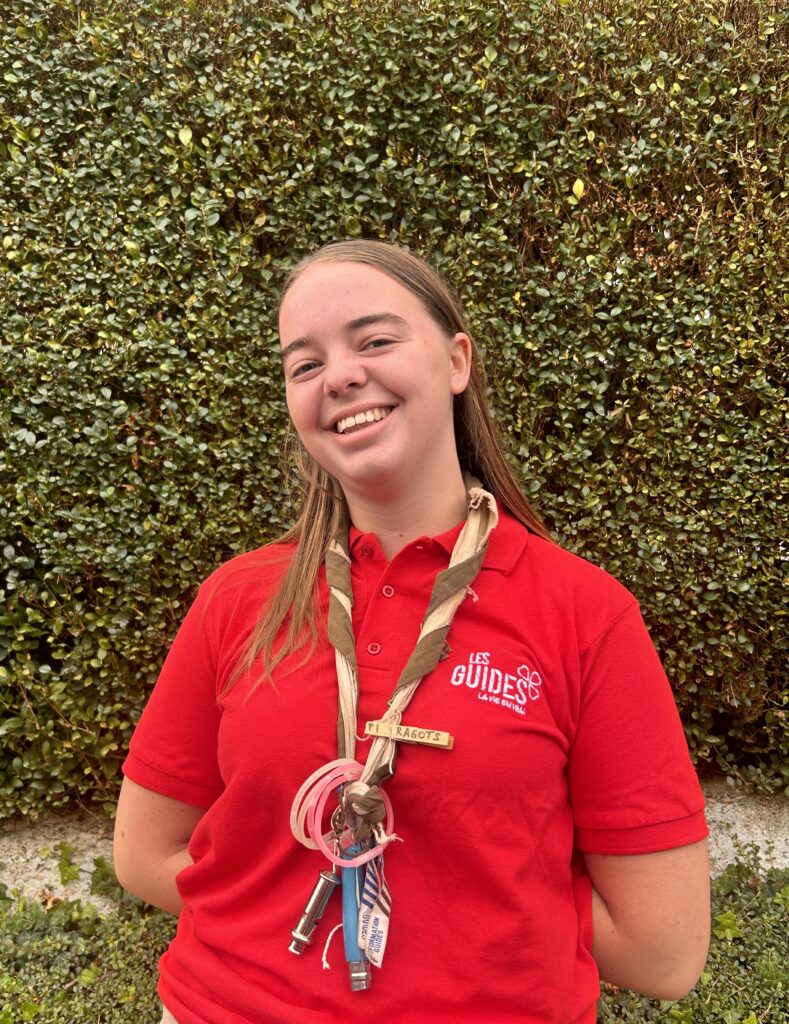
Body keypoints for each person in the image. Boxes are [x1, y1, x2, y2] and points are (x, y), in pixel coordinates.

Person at [114, 239, 711, 1024]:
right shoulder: (237, 599)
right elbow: (144, 854)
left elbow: (661, 952)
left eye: (374, 340)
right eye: (304, 364)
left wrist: (481, 909)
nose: (338, 376)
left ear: (457, 361)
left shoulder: (584, 615)